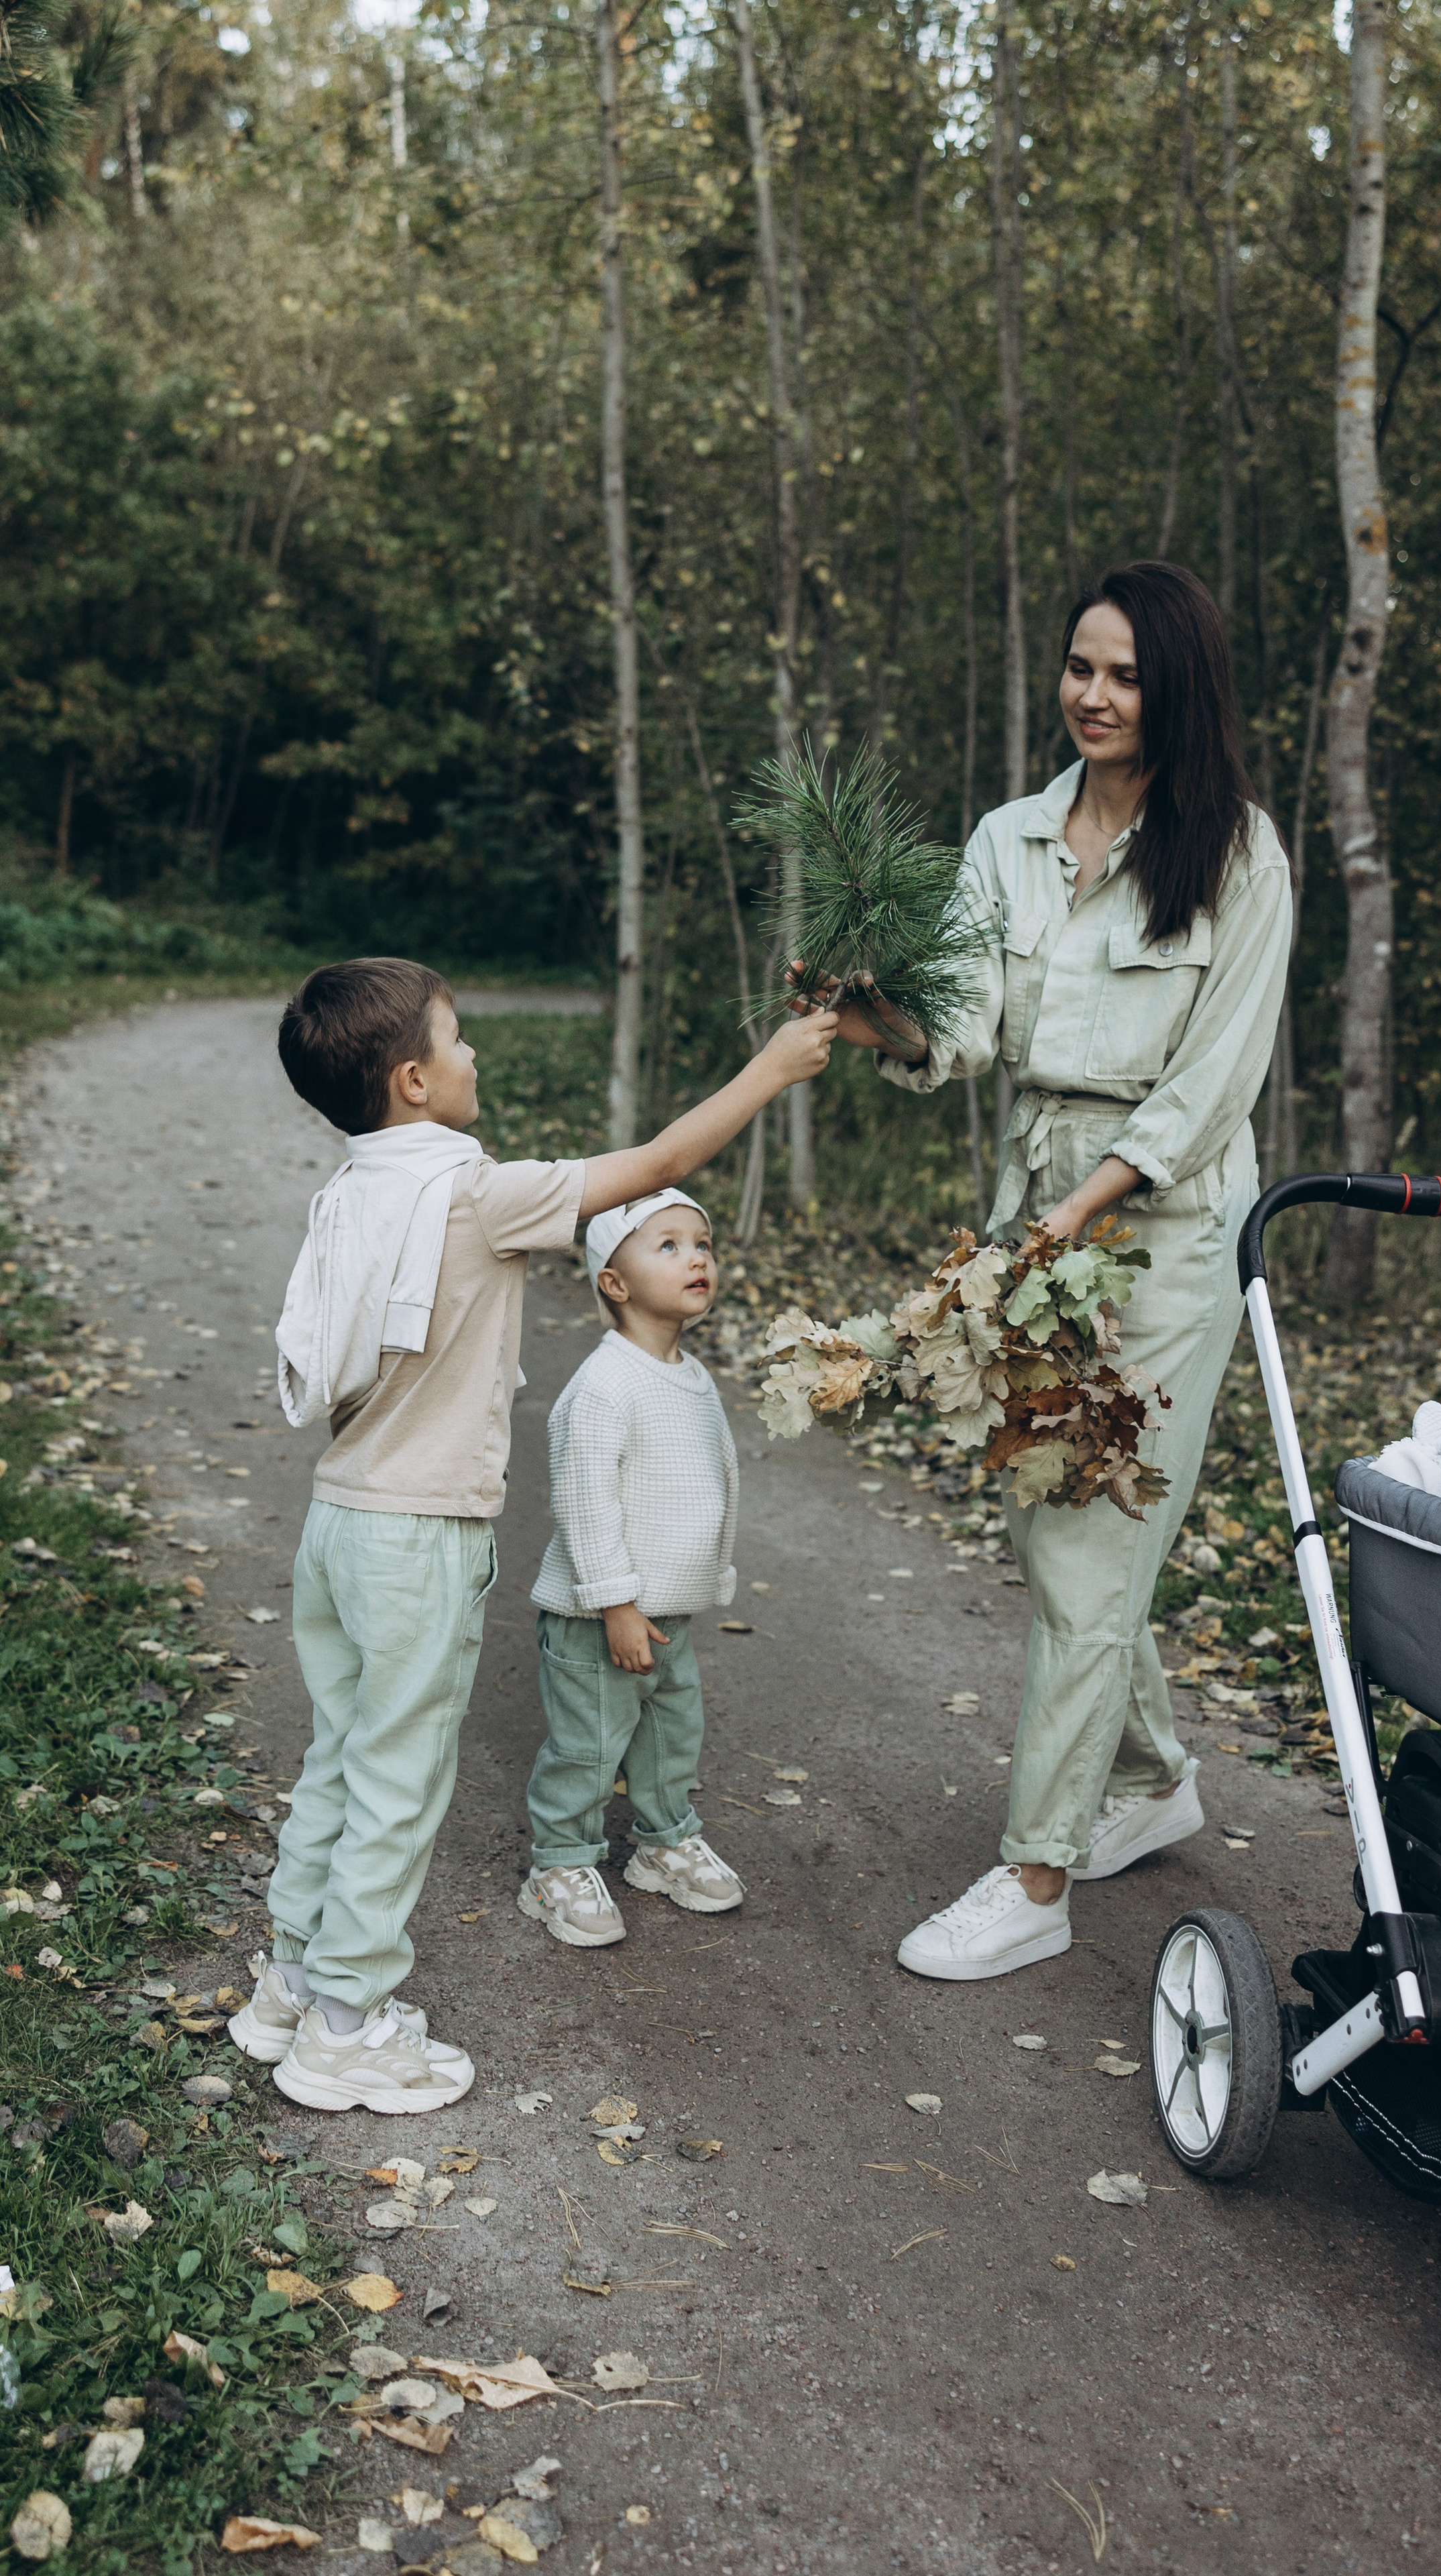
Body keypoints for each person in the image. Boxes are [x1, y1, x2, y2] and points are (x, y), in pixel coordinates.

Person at [797, 560, 1292, 1980]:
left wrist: (1076, 1216)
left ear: (1177, 689)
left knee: (1091, 1536)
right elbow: (955, 1028)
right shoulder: (1008, 838)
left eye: (1125, 674)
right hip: (1036, 1202)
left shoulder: (1240, 856)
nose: (1091, 693)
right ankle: (1150, 1781)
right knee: (1048, 1513)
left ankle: (1033, 1873)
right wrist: (863, 1011)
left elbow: (1209, 1088)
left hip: (1168, 1221)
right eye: (1079, 666)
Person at [227, 960, 836, 2108]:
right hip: (417, 1541)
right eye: (458, 1043)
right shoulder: (469, 1189)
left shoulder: (355, 1187)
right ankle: (348, 2025)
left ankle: (292, 1985)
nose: (475, 1060)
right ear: (412, 1081)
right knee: (400, 1781)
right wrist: (772, 1067)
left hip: (341, 1522)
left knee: (341, 1760)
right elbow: (655, 1169)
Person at [517, 1189, 745, 1947]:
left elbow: (711, 1478)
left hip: (666, 1609)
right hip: (597, 1616)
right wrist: (614, 1603)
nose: (697, 1258)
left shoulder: (690, 1375)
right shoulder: (604, 1384)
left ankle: (663, 1841)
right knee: (589, 1743)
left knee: (669, 1732)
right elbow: (584, 1500)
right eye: (670, 1245)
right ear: (613, 1283)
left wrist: (704, 1580)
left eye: (703, 1244)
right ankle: (559, 1862)